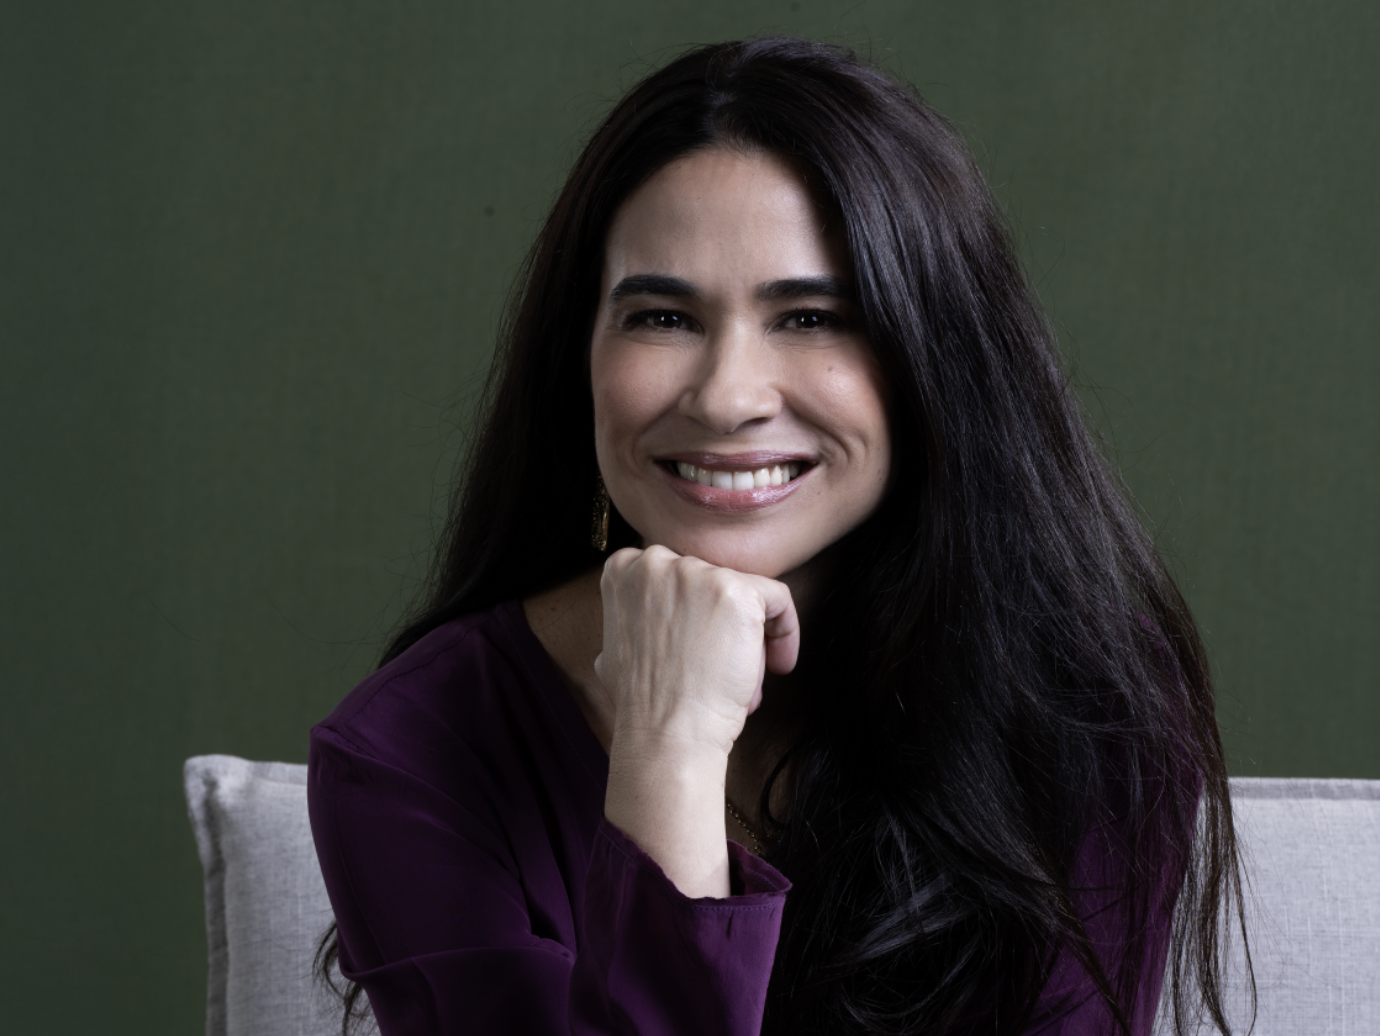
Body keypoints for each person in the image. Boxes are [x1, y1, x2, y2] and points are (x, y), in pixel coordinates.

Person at [308, 37, 1249, 1036]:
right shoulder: (409, 752)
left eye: (809, 318)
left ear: (934, 358)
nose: (726, 396)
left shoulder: (1086, 702)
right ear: (578, 357)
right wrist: (668, 751)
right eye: (662, 316)